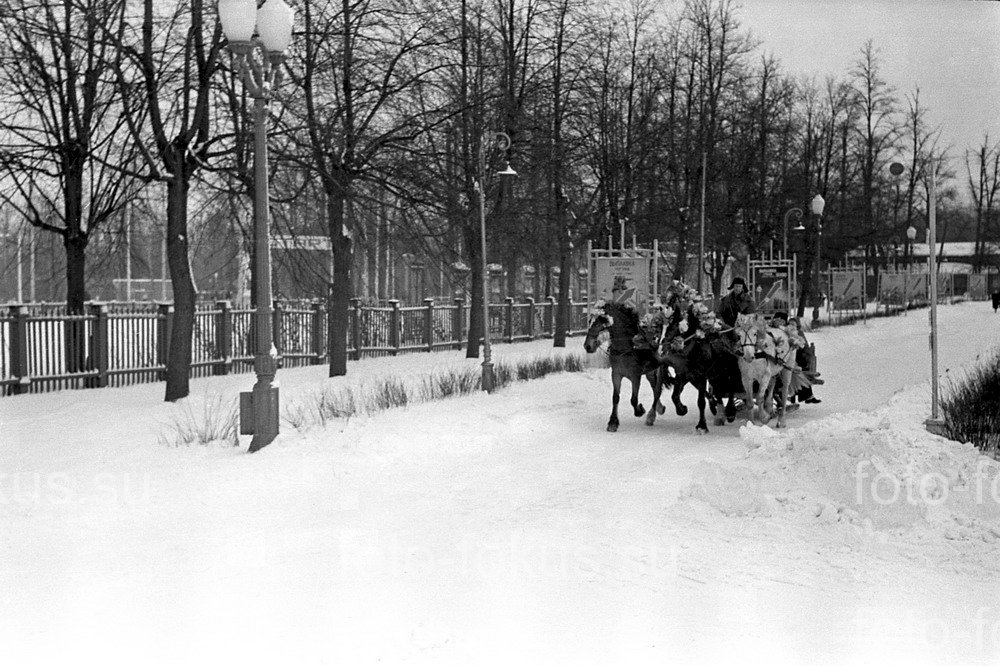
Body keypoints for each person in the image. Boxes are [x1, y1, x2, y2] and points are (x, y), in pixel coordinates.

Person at [788, 316, 821, 404]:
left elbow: (804, 346)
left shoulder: (799, 333)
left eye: (793, 324)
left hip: (799, 357)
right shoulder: (786, 333)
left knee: (801, 371)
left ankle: (808, 396)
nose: (791, 326)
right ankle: (807, 396)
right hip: (789, 357)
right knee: (799, 372)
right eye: (790, 324)